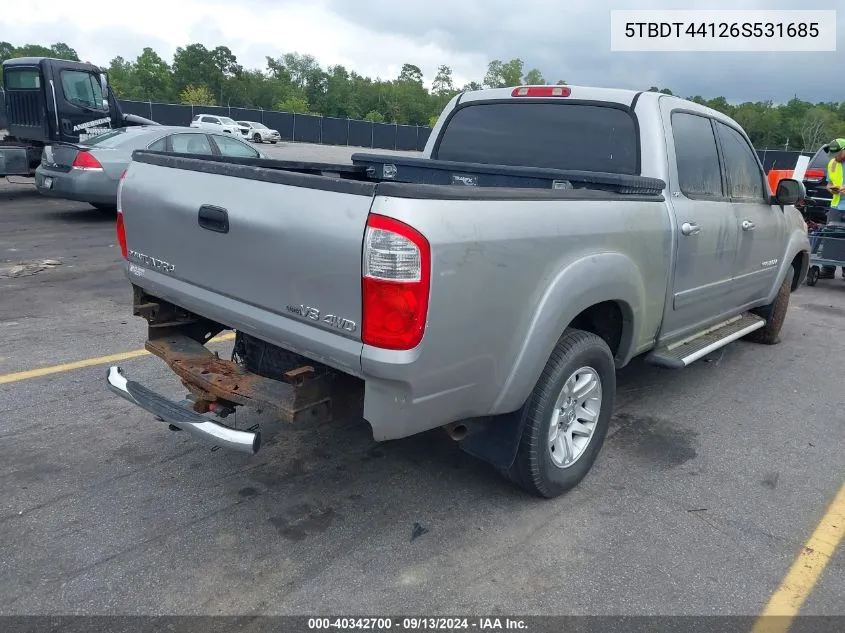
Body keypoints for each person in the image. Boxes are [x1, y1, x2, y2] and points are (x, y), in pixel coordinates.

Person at [816, 138, 845, 279]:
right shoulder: (832, 163)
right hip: (836, 206)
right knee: (831, 236)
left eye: (838, 153)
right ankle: (828, 269)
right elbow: (829, 184)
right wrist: (833, 189)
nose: (835, 157)